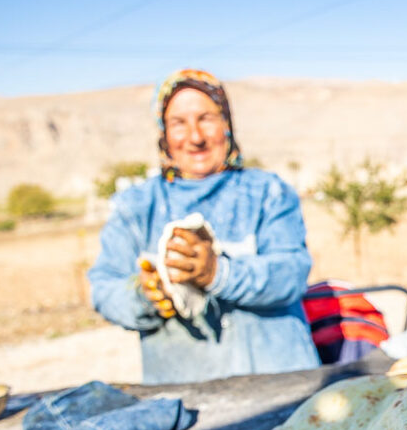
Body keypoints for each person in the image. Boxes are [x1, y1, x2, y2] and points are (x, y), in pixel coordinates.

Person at [88, 68, 320, 384]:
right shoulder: (136, 206)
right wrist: (146, 295)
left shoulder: (268, 192)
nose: (195, 137)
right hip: (186, 398)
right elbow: (104, 289)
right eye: (178, 123)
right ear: (162, 131)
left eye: (206, 118)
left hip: (283, 386)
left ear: (227, 123)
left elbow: (291, 274)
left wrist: (217, 274)